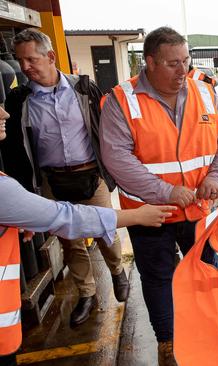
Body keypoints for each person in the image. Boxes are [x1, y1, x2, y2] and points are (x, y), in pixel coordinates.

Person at [99, 26, 218, 366]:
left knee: (208, 271)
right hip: (150, 213)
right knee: (158, 278)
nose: (182, 71)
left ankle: (213, 329)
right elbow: (117, 158)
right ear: (149, 62)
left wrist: (217, 175)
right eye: (173, 63)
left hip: (200, 210)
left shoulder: (204, 92)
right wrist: (167, 192)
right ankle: (167, 341)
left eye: (186, 61)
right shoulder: (121, 100)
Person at [0, 104, 174, 366]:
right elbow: (67, 218)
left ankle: (117, 274)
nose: (5, 114)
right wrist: (136, 216)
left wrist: (18, 215)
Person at [1, 28, 127, 328]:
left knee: (105, 230)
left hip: (90, 174)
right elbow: (16, 147)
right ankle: (87, 293)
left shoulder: (84, 88)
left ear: (51, 56)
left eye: (31, 59)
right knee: (71, 241)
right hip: (51, 180)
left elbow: (106, 128)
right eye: (21, 61)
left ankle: (117, 270)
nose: (25, 67)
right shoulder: (21, 99)